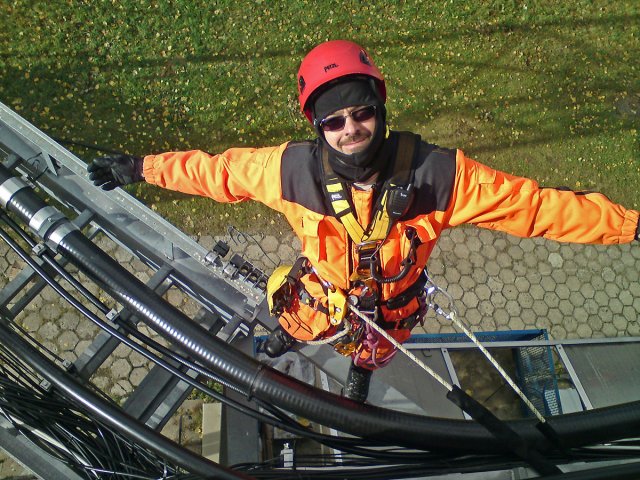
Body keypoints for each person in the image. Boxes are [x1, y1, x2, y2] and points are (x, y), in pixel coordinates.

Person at [88, 40, 640, 402]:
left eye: (362, 113)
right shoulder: (291, 172)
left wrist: (630, 226)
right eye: (333, 121)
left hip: (391, 309)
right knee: (295, 317)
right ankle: (286, 337)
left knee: (376, 348)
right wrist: (140, 168)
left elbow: (536, 208)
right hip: (320, 295)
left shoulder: (437, 176)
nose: (350, 129)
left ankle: (362, 373)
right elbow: (218, 172)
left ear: (380, 107)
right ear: (316, 124)